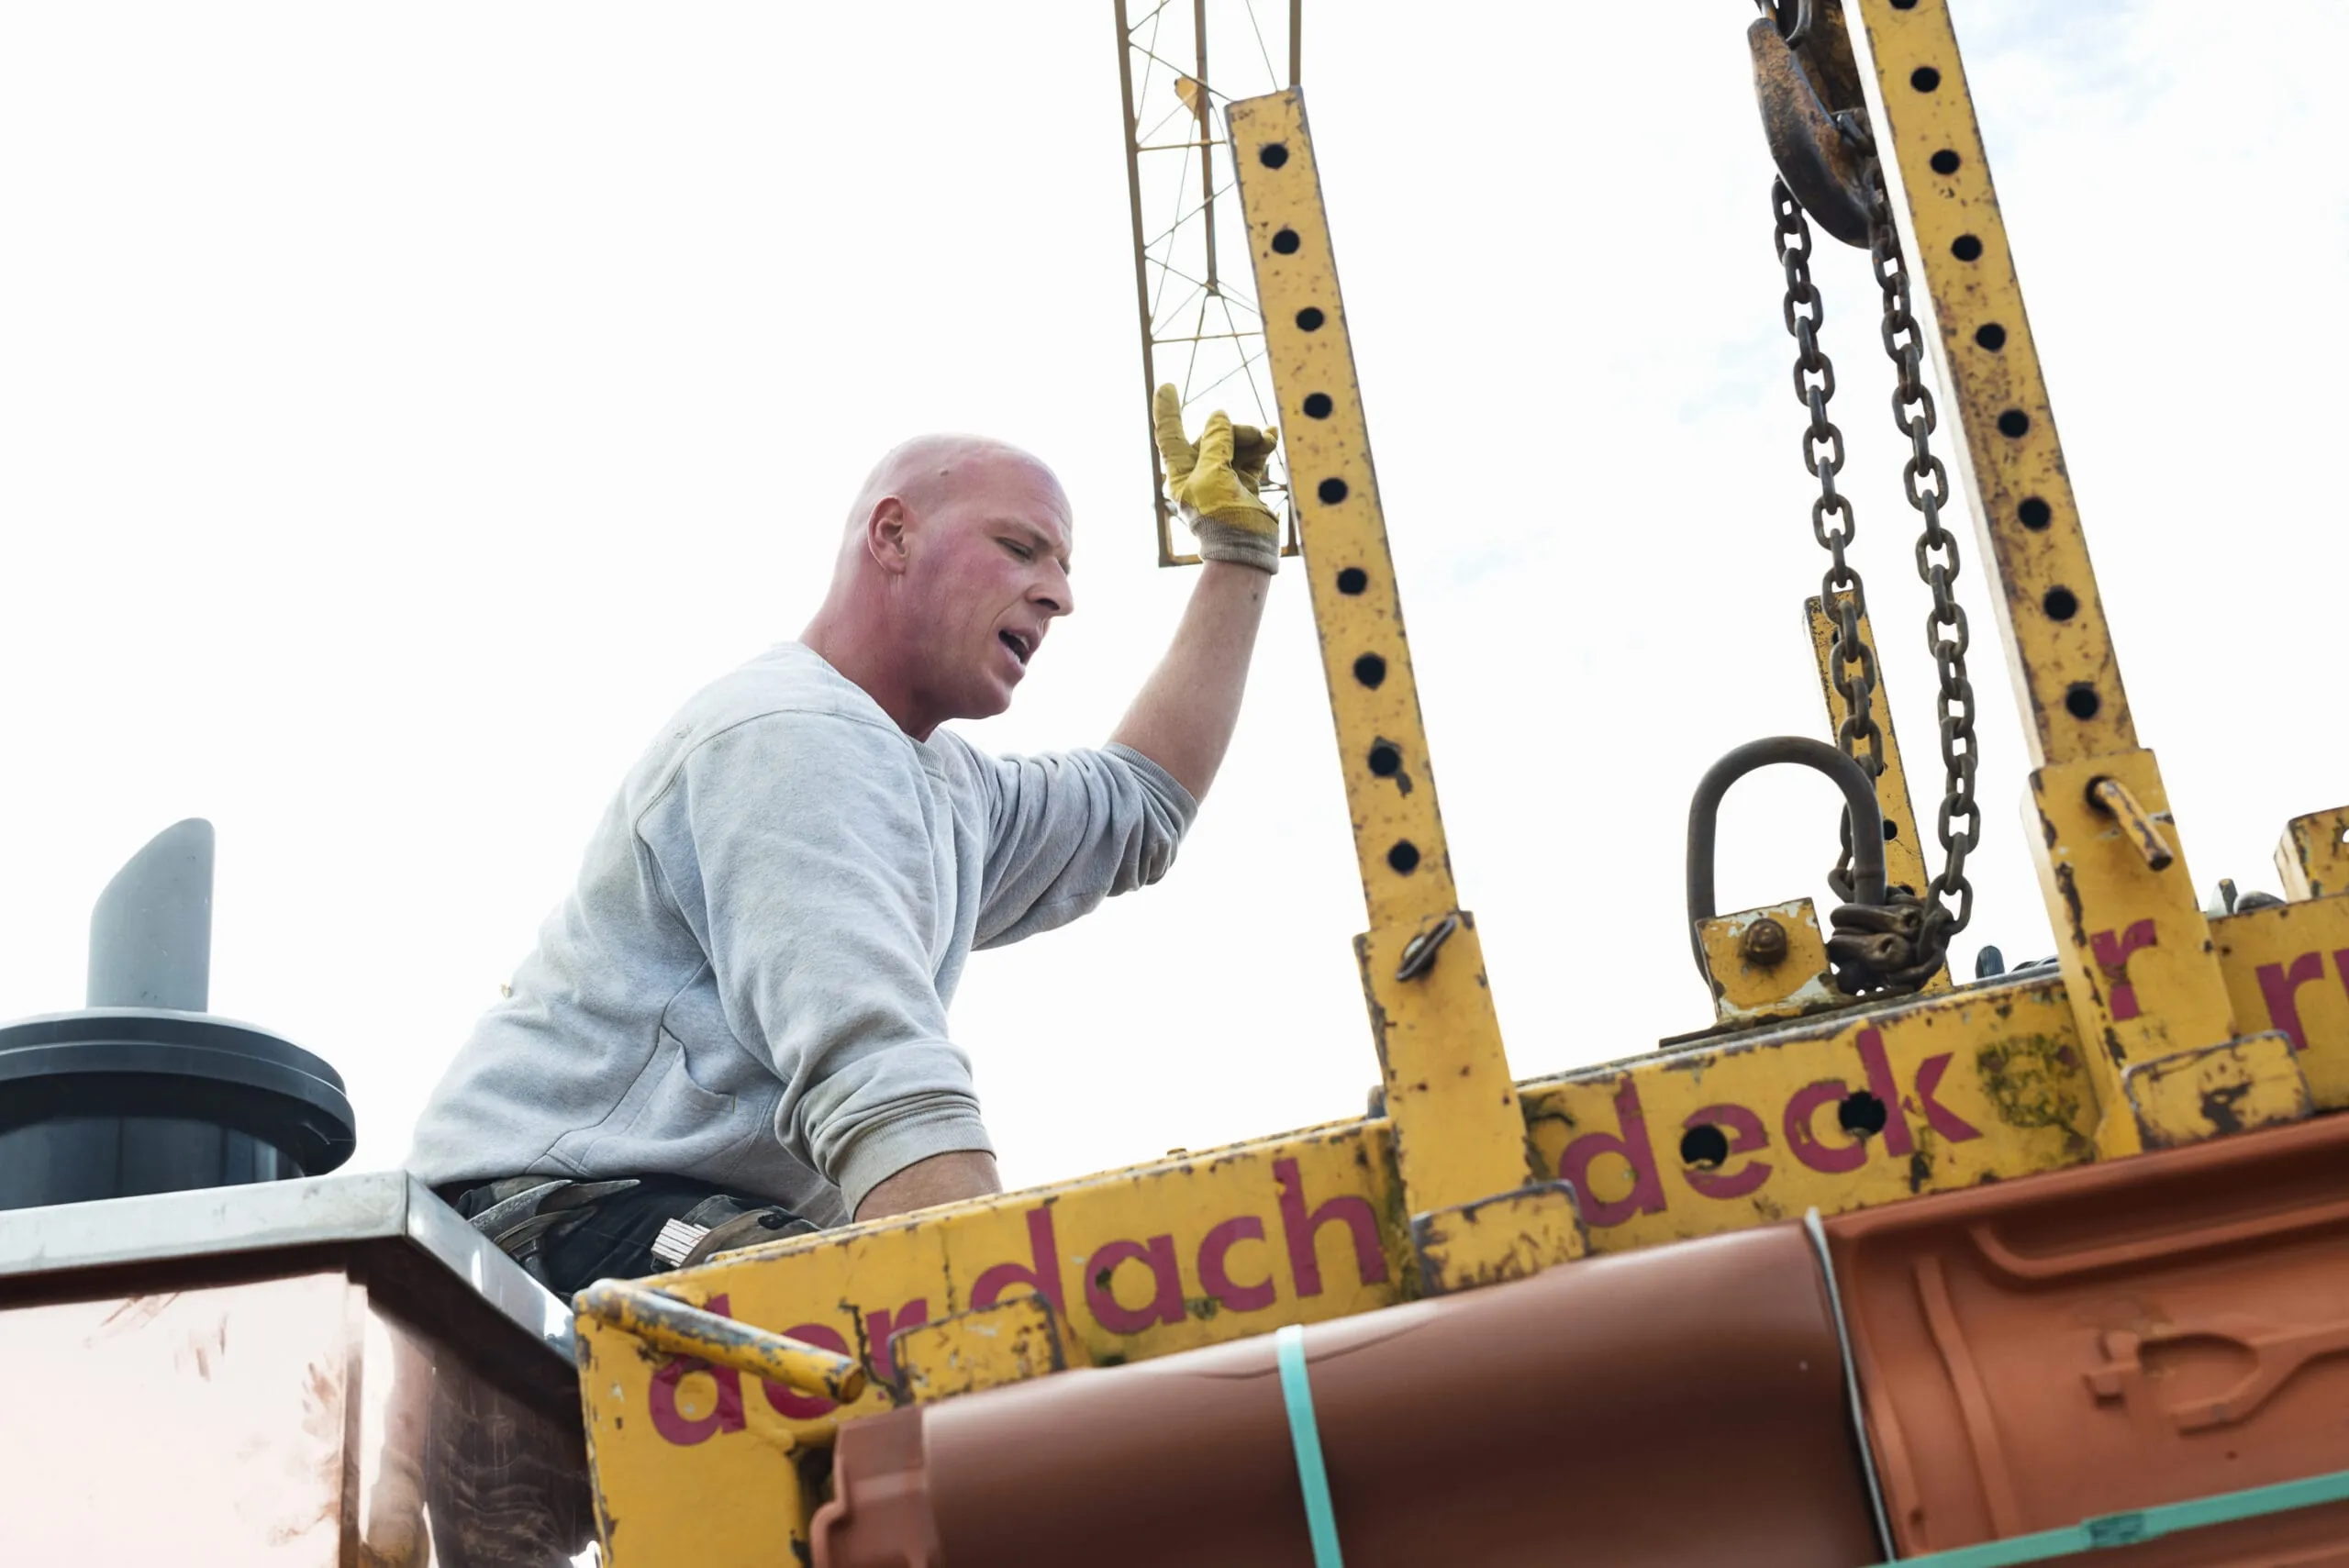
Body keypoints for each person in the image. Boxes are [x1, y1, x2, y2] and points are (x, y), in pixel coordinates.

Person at [406, 387, 1281, 1294]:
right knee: (886, 1325)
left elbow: (1135, 806)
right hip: (542, 1218)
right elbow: (877, 1069)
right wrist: (994, 1318)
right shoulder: (789, 734)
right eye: (1020, 548)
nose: (1057, 593)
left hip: (662, 1209)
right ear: (893, 536)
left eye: (1060, 566)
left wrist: (1238, 556)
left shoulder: (939, 781)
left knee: (897, 1332)